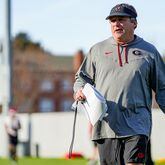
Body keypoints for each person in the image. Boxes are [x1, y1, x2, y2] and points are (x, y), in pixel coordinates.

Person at [73, 3, 165, 165]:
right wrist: (79, 90)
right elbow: (82, 78)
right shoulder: (97, 50)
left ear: (134, 23)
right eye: (113, 20)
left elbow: (162, 88)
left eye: (121, 19)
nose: (116, 24)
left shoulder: (149, 52)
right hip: (107, 126)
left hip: (137, 125)